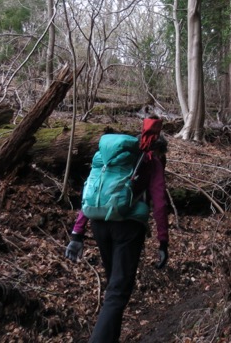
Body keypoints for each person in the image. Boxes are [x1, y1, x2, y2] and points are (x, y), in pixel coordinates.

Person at [65, 117, 170, 343]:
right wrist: (163, 241)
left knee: (114, 284)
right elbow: (160, 203)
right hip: (128, 227)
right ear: (159, 149)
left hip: (99, 222)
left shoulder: (111, 159)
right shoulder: (151, 161)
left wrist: (77, 233)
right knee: (118, 291)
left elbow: (91, 192)